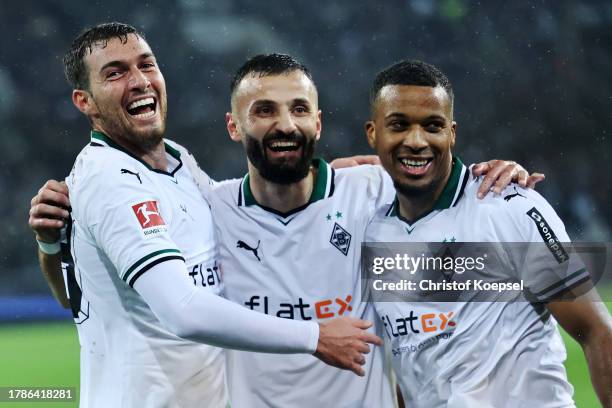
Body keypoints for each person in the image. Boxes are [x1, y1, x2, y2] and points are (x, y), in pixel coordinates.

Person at [31, 50, 543, 407]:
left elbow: (456, 216)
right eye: (264, 111)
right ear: (235, 127)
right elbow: (85, 294)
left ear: (317, 123)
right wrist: (54, 242)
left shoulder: (373, 192)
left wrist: (496, 179)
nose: (285, 124)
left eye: (299, 109)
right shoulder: (210, 208)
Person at [31, 22, 384, 408]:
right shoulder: (109, 181)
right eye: (115, 73)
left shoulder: (175, 160)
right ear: (85, 101)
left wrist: (315, 172)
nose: (139, 81)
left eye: (146, 65)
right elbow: (183, 310)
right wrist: (315, 336)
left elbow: (73, 294)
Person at [364, 59, 612, 407]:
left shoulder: (508, 207)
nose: (416, 140)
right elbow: (411, 364)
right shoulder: (375, 234)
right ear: (373, 133)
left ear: (451, 133)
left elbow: (597, 332)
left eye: (432, 126)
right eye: (399, 125)